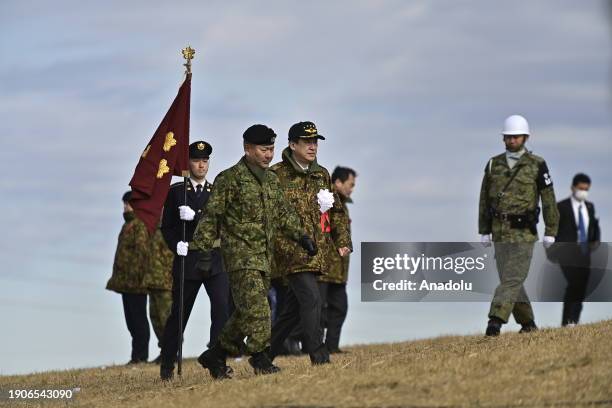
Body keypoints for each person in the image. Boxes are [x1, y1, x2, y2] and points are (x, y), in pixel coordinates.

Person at [187, 124, 317, 379]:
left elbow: (283, 213)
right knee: (259, 309)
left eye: (270, 149)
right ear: (247, 149)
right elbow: (211, 217)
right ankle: (260, 358)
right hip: (240, 258)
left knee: (245, 314)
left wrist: (301, 236)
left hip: (264, 258)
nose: (268, 155)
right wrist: (202, 253)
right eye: (263, 149)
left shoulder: (270, 180)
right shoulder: (229, 179)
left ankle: (215, 354)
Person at [269, 121, 352, 365]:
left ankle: (263, 356)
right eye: (307, 142)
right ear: (292, 144)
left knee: (293, 311)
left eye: (315, 141)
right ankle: (319, 355)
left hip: (317, 252)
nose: (312, 146)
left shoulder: (321, 174)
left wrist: (342, 240)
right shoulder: (276, 175)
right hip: (289, 251)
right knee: (312, 299)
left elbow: (336, 212)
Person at [478, 115, 559, 336]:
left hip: (524, 232)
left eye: (516, 136)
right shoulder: (493, 163)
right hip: (500, 232)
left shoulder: (537, 164)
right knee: (510, 280)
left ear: (525, 137)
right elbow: (484, 198)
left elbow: (548, 198)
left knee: (512, 278)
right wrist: (484, 230)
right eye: (508, 137)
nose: (512, 140)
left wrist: (551, 230)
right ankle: (528, 325)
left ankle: (495, 321)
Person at [159, 141, 230, 380]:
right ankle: (168, 361)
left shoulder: (216, 190)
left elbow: (223, 223)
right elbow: (166, 226)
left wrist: (197, 215)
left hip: (214, 258)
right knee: (179, 314)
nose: (202, 164)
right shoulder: (177, 192)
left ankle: (217, 361)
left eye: (205, 160)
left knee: (221, 310)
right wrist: (174, 244)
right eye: (197, 160)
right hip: (187, 259)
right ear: (188, 163)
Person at [106, 191, 151, 364]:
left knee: (138, 320)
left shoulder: (139, 226)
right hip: (126, 283)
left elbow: (142, 253)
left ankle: (141, 356)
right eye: (125, 204)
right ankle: (136, 356)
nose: (125, 207)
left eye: (129, 204)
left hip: (136, 283)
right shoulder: (128, 226)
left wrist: (139, 276)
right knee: (131, 321)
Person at [319, 166, 356, 353]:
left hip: (338, 271)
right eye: (351, 184)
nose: (352, 189)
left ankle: (331, 347)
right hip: (324, 269)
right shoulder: (325, 200)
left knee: (340, 307)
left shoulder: (342, 204)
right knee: (317, 311)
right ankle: (312, 347)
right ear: (338, 182)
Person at [555, 173, 601, 326]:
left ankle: (571, 321)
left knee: (580, 288)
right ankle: (569, 321)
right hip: (567, 253)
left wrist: (595, 241)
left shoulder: (589, 207)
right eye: (581, 188)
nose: (584, 192)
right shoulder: (561, 207)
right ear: (573, 187)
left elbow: (593, 226)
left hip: (584, 254)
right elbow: (553, 229)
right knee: (575, 283)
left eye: (586, 189)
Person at [142, 222, 174, 364]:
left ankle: (171, 351)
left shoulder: (170, 231)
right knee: (155, 318)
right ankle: (164, 350)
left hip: (165, 283)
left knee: (167, 319)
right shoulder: (152, 231)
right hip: (152, 282)